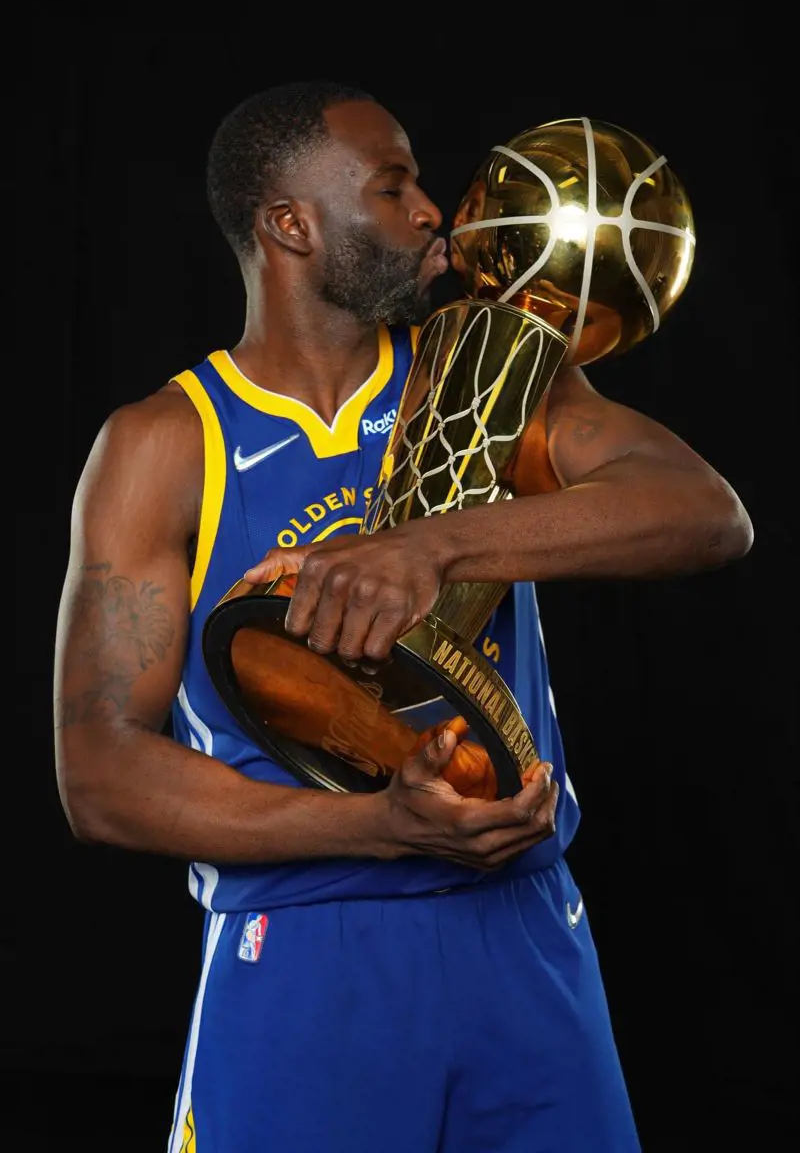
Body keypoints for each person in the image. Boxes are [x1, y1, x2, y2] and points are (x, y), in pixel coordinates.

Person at [53, 80, 753, 1153]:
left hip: (518, 929)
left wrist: (428, 544)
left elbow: (707, 517)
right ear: (289, 224)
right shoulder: (166, 442)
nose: (434, 210)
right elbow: (98, 773)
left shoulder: (488, 380)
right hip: (305, 945)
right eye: (392, 188)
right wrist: (374, 827)